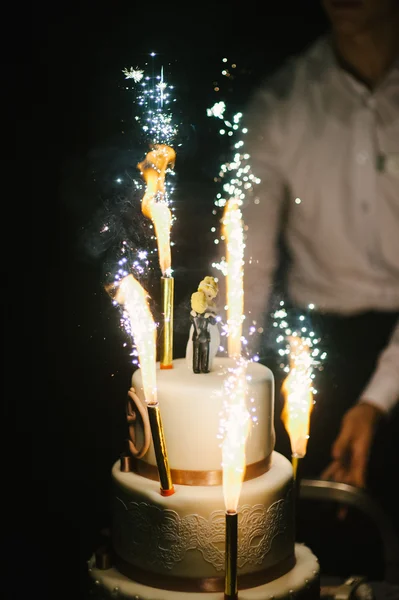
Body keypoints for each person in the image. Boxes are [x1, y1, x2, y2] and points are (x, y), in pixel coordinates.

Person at [239, 0, 399, 547]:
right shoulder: (281, 101)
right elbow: (248, 267)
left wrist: (377, 401)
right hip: (319, 345)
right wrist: (229, 375)